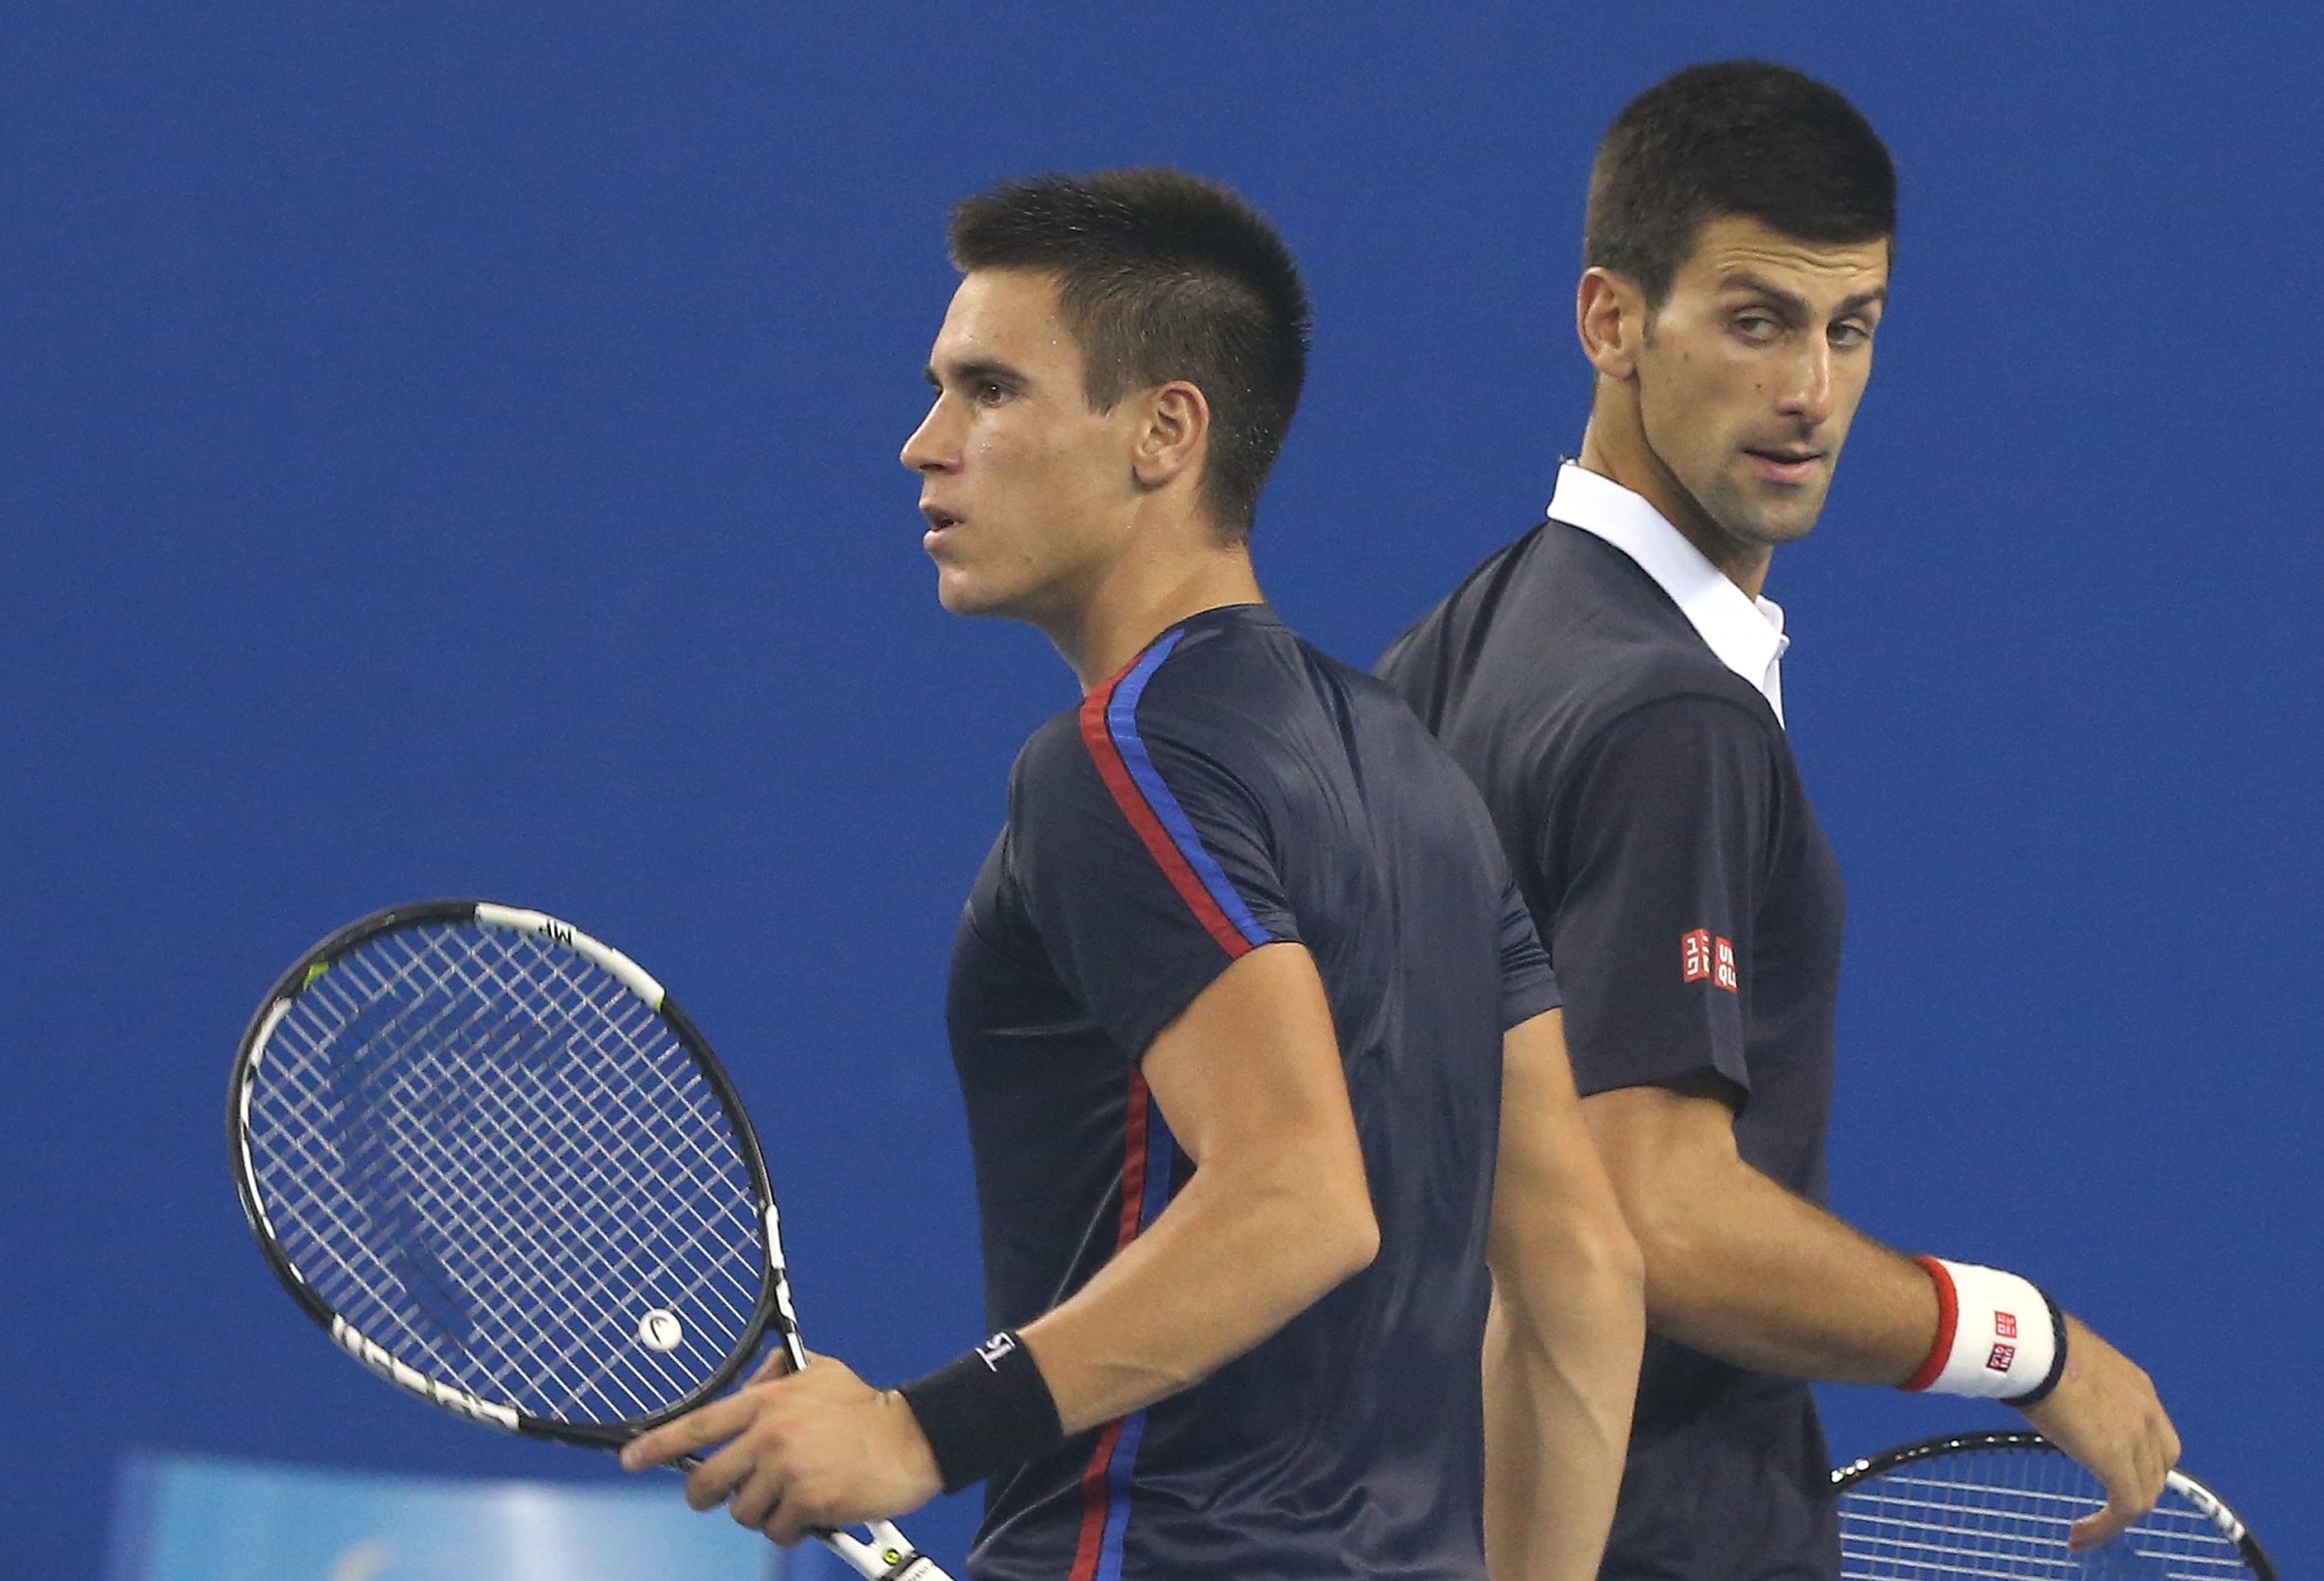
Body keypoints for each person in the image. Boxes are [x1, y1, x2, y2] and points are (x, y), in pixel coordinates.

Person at [625, 168, 1646, 1581]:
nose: (924, 443)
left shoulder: (1116, 759)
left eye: (989, 391)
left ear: (1166, 432)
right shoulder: (1423, 776)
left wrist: (918, 1435)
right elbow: (1580, 1272)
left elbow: (1300, 1196)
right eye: (938, 389)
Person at [1378, 61, 2178, 1581]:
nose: (1809, 389)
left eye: (1848, 328)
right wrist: (2024, 1340)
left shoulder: (1464, 639)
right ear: (1611, 319)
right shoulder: (1669, 718)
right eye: (1756, 321)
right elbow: (1654, 1222)